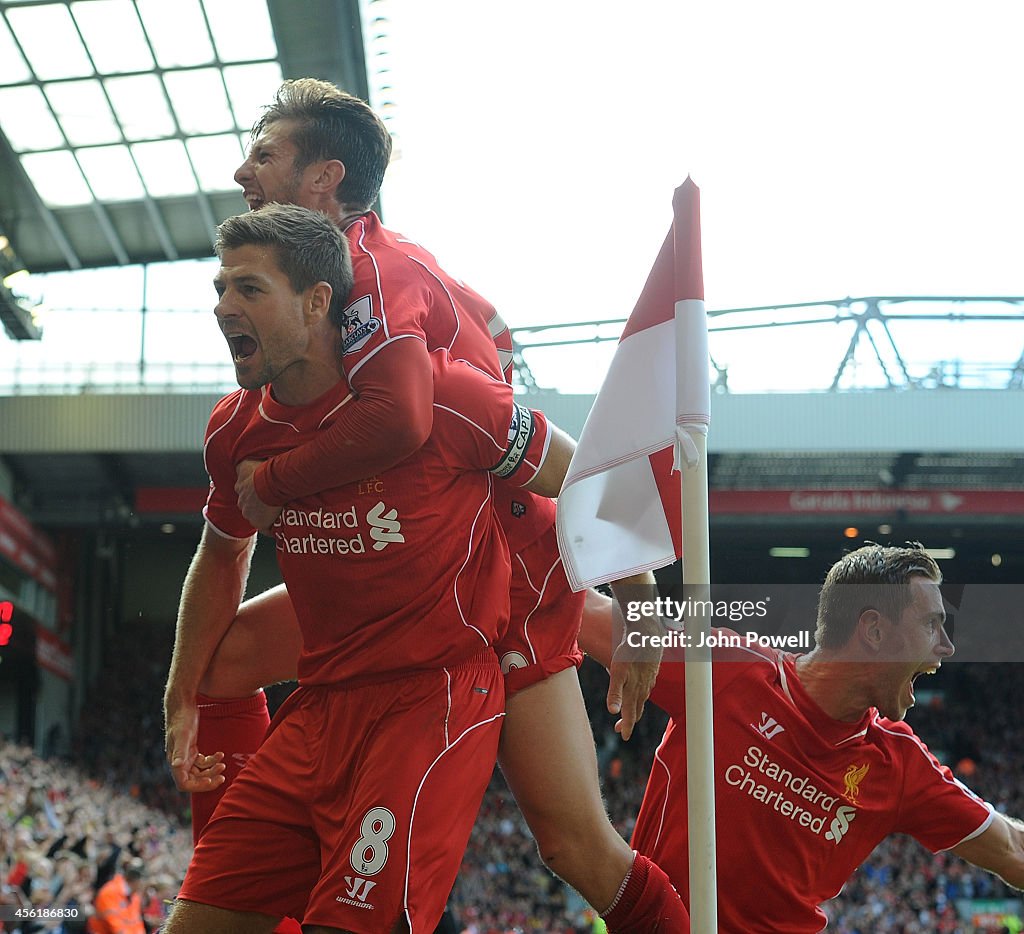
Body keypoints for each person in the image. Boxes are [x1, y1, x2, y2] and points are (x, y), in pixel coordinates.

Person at [175, 77, 686, 932]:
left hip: (498, 582)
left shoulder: (380, 276)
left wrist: (634, 598)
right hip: (385, 572)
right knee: (212, 665)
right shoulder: (315, 312)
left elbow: (422, 416)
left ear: (323, 181)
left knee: (572, 846)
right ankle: (245, 885)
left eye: (262, 154)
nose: (239, 172)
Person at [163, 203, 514, 933]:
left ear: (318, 300)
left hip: (431, 700)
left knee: (577, 846)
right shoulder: (234, 429)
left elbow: (577, 484)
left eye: (250, 289)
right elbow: (222, 554)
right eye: (220, 289)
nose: (224, 306)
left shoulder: (440, 395)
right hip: (318, 710)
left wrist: (635, 600)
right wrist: (179, 696)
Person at [580, 543, 1024, 932]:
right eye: (931, 624)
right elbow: (583, 614)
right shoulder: (728, 670)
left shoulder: (899, 763)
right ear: (873, 631)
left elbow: (1012, 848)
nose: (946, 646)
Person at [86, 858, 145, 934]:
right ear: (137, 881)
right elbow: (115, 925)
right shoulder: (109, 892)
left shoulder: (134, 895)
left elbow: (136, 922)